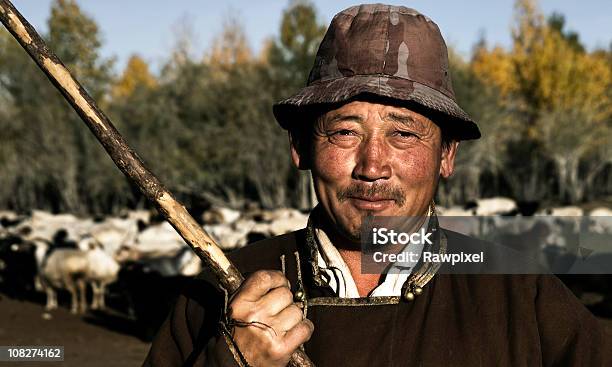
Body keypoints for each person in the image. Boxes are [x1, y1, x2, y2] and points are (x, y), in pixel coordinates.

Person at [144, 4, 609, 366]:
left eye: (403, 133)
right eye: (345, 131)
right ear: (301, 147)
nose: (372, 165)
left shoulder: (521, 297)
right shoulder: (221, 295)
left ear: (446, 156)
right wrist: (231, 364)